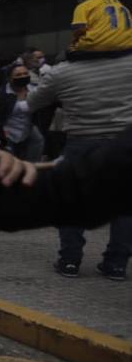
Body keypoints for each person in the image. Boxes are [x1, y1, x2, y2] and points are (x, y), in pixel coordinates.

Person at [20, 38, 132, 280]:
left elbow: (32, 102)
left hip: (81, 141)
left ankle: (70, 260)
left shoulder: (63, 71)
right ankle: (117, 264)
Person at [0, 63, 43, 161]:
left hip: (27, 129)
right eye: (18, 75)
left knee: (38, 141)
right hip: (6, 133)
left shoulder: (35, 90)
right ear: (9, 78)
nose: (23, 76)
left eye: (25, 73)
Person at [68, 0, 132, 56]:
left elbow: (78, 31)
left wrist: (73, 45)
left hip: (97, 47)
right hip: (127, 47)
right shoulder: (121, 5)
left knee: (66, 53)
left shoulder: (84, 6)